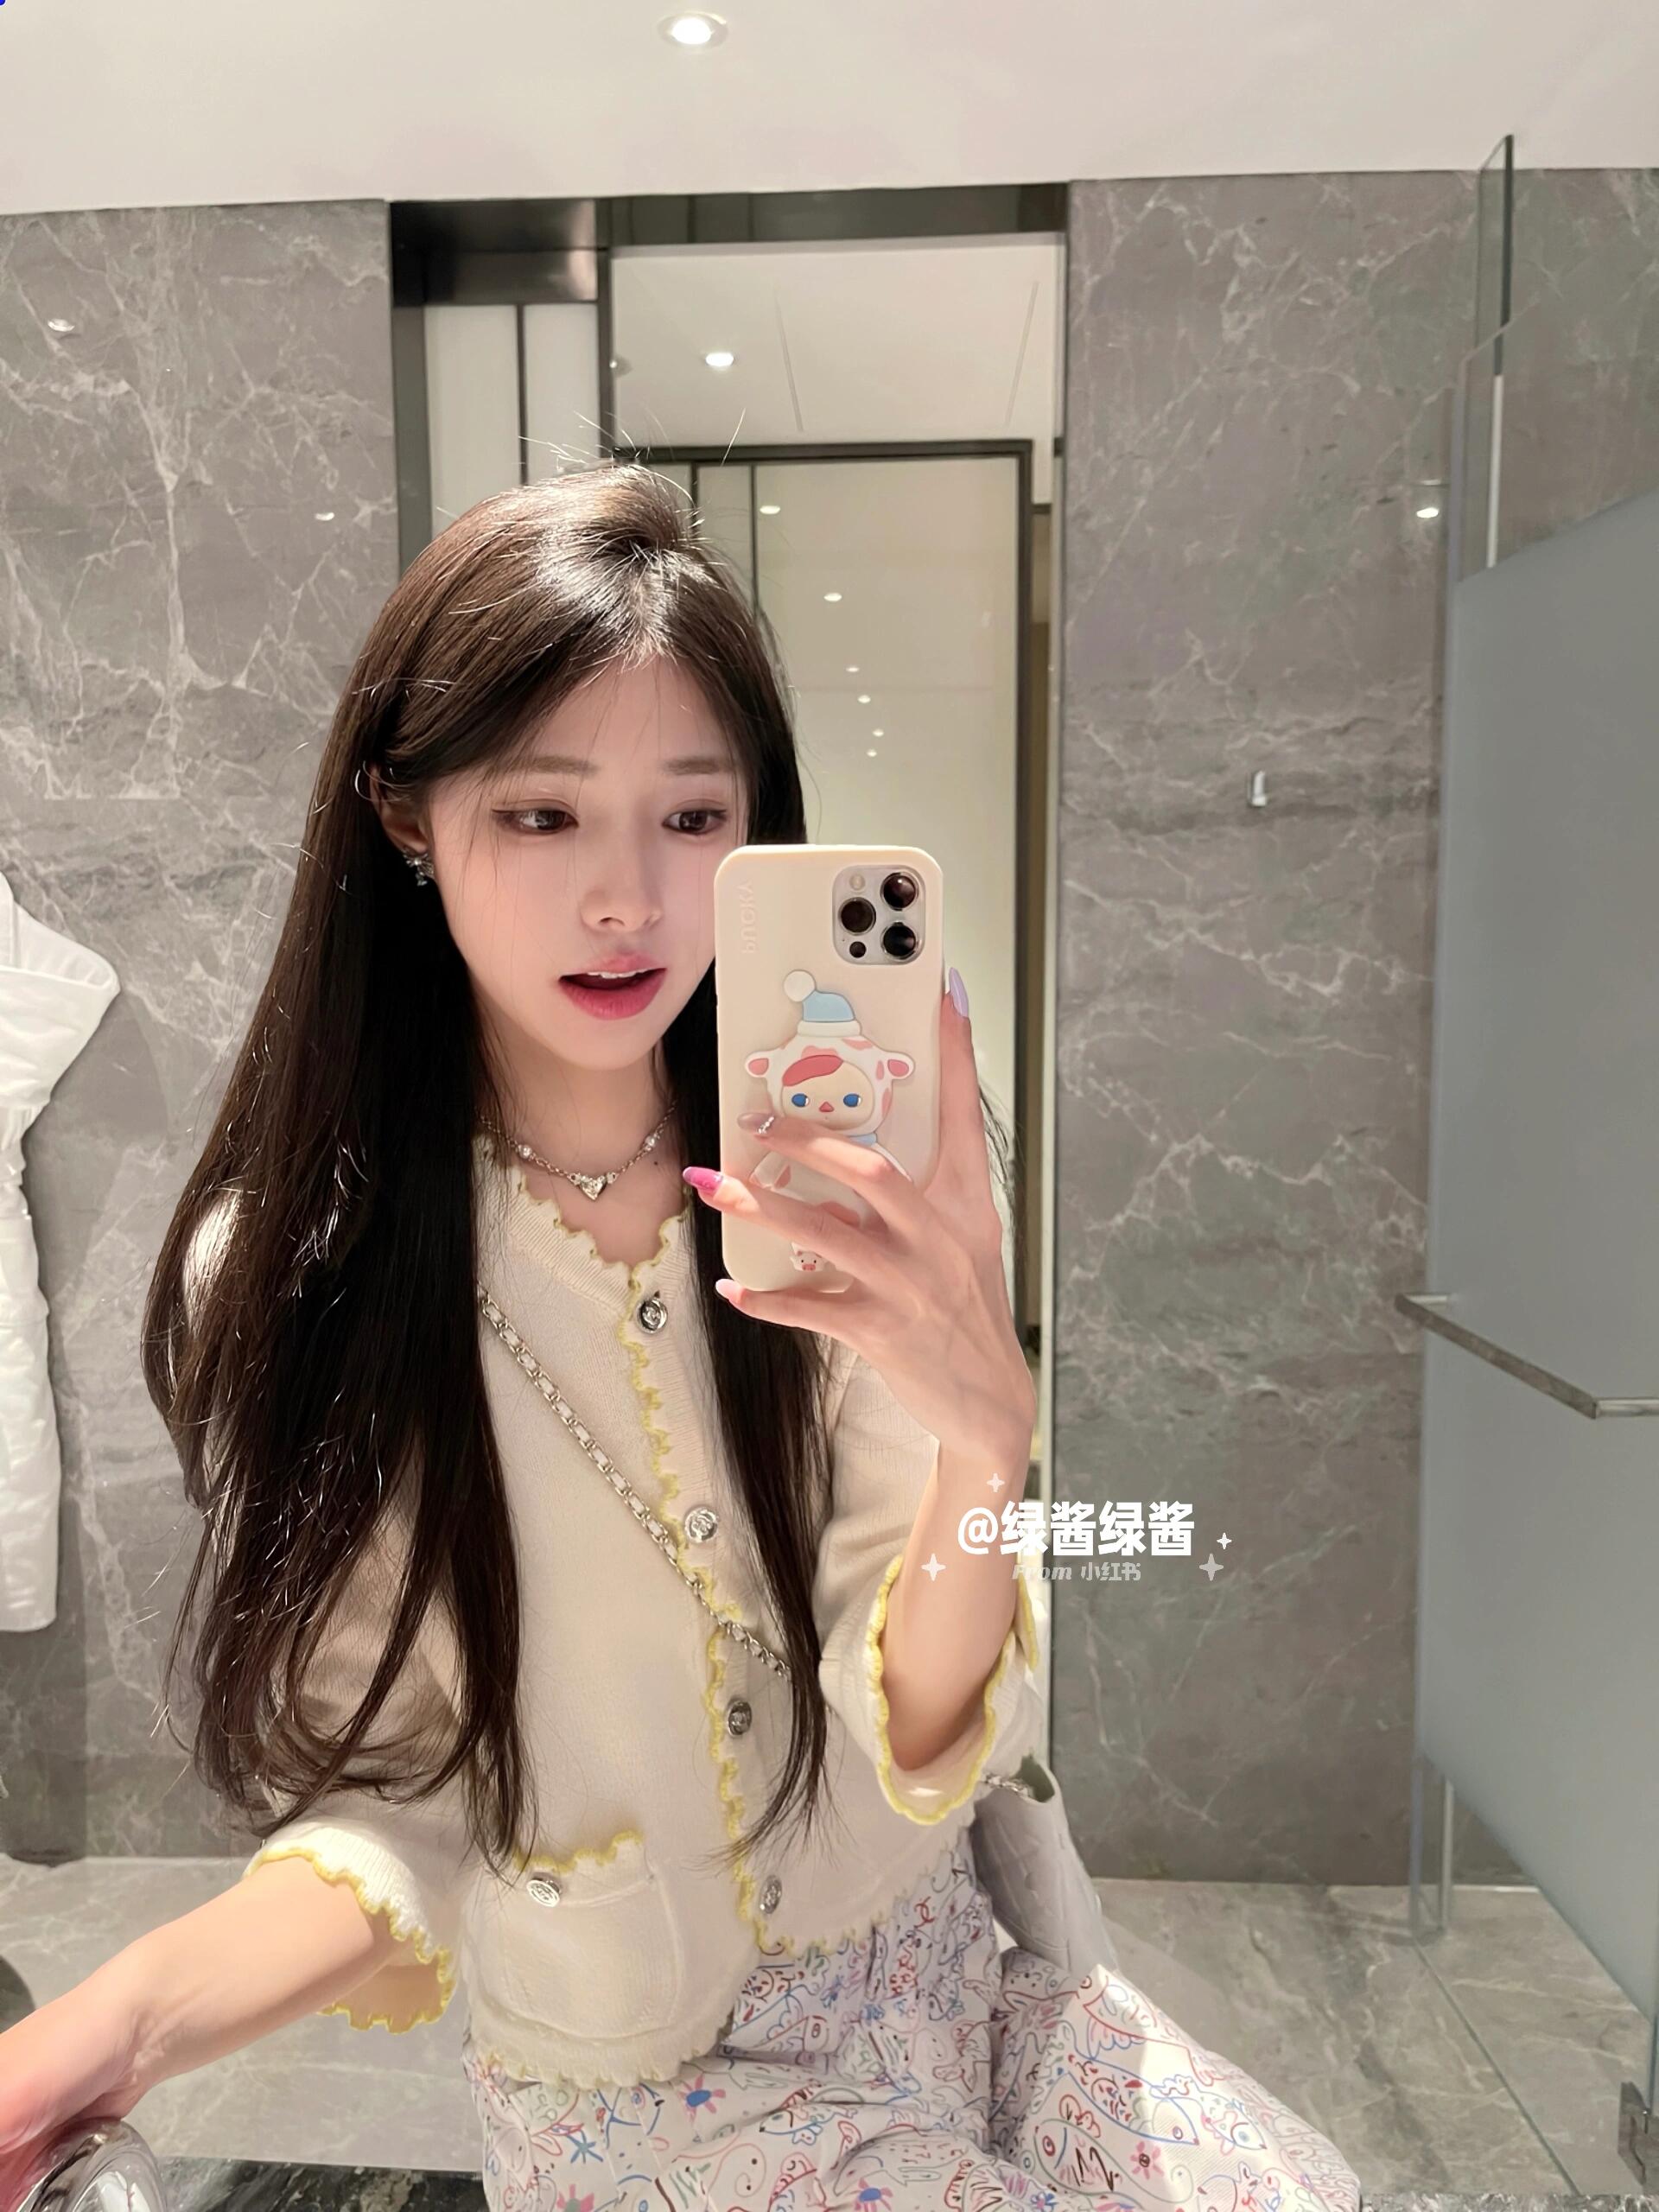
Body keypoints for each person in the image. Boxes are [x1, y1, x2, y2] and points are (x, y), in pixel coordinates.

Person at [0, 465, 1363, 2212]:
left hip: (953, 1969)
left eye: (693, 815)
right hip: (640, 2090)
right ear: (406, 815)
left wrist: (986, 1449)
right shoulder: (302, 1274)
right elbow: (395, 1798)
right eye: (543, 813)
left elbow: (924, 1702)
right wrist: (108, 2029)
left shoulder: (859, 1172)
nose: (628, 899)